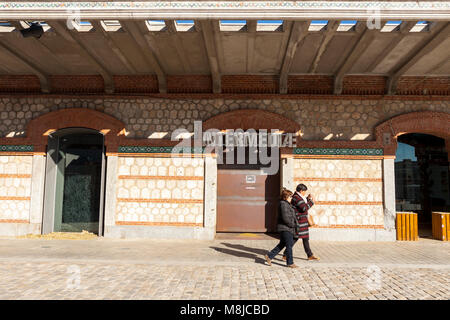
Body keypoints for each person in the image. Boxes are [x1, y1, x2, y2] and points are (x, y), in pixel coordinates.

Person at [282, 183, 320, 261]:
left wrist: (308, 199)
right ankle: (285, 254)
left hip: (302, 221)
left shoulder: (298, 197)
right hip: (299, 221)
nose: (305, 193)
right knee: (295, 238)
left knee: (305, 238)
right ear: (301, 190)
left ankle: (310, 255)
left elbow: (303, 203)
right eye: (304, 191)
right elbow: (304, 208)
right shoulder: (296, 197)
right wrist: (312, 202)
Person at [264, 188, 300, 268]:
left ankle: (269, 256)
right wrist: (292, 225)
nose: (291, 198)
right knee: (289, 245)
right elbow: (285, 218)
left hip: (288, 228)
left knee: (282, 244)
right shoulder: (283, 204)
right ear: (286, 197)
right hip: (285, 228)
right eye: (290, 197)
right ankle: (290, 262)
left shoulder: (287, 204)